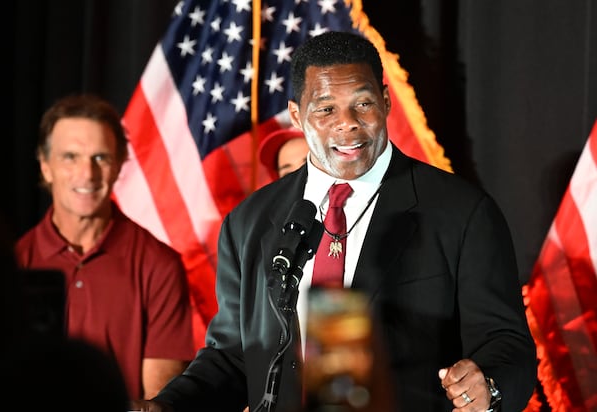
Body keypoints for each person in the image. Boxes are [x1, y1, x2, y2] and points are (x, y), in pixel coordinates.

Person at [130, 31, 536, 411]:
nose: (348, 123)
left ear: (385, 100)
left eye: (362, 103)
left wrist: (489, 385)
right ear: (296, 115)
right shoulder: (249, 222)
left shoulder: (462, 212)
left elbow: (505, 342)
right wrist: (168, 406)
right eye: (325, 109)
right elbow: (234, 356)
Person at [15, 93, 196, 401]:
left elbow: (157, 402)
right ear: (46, 167)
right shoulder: (14, 263)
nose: (87, 174)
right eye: (70, 157)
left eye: (101, 158)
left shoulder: (158, 265)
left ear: (118, 167)